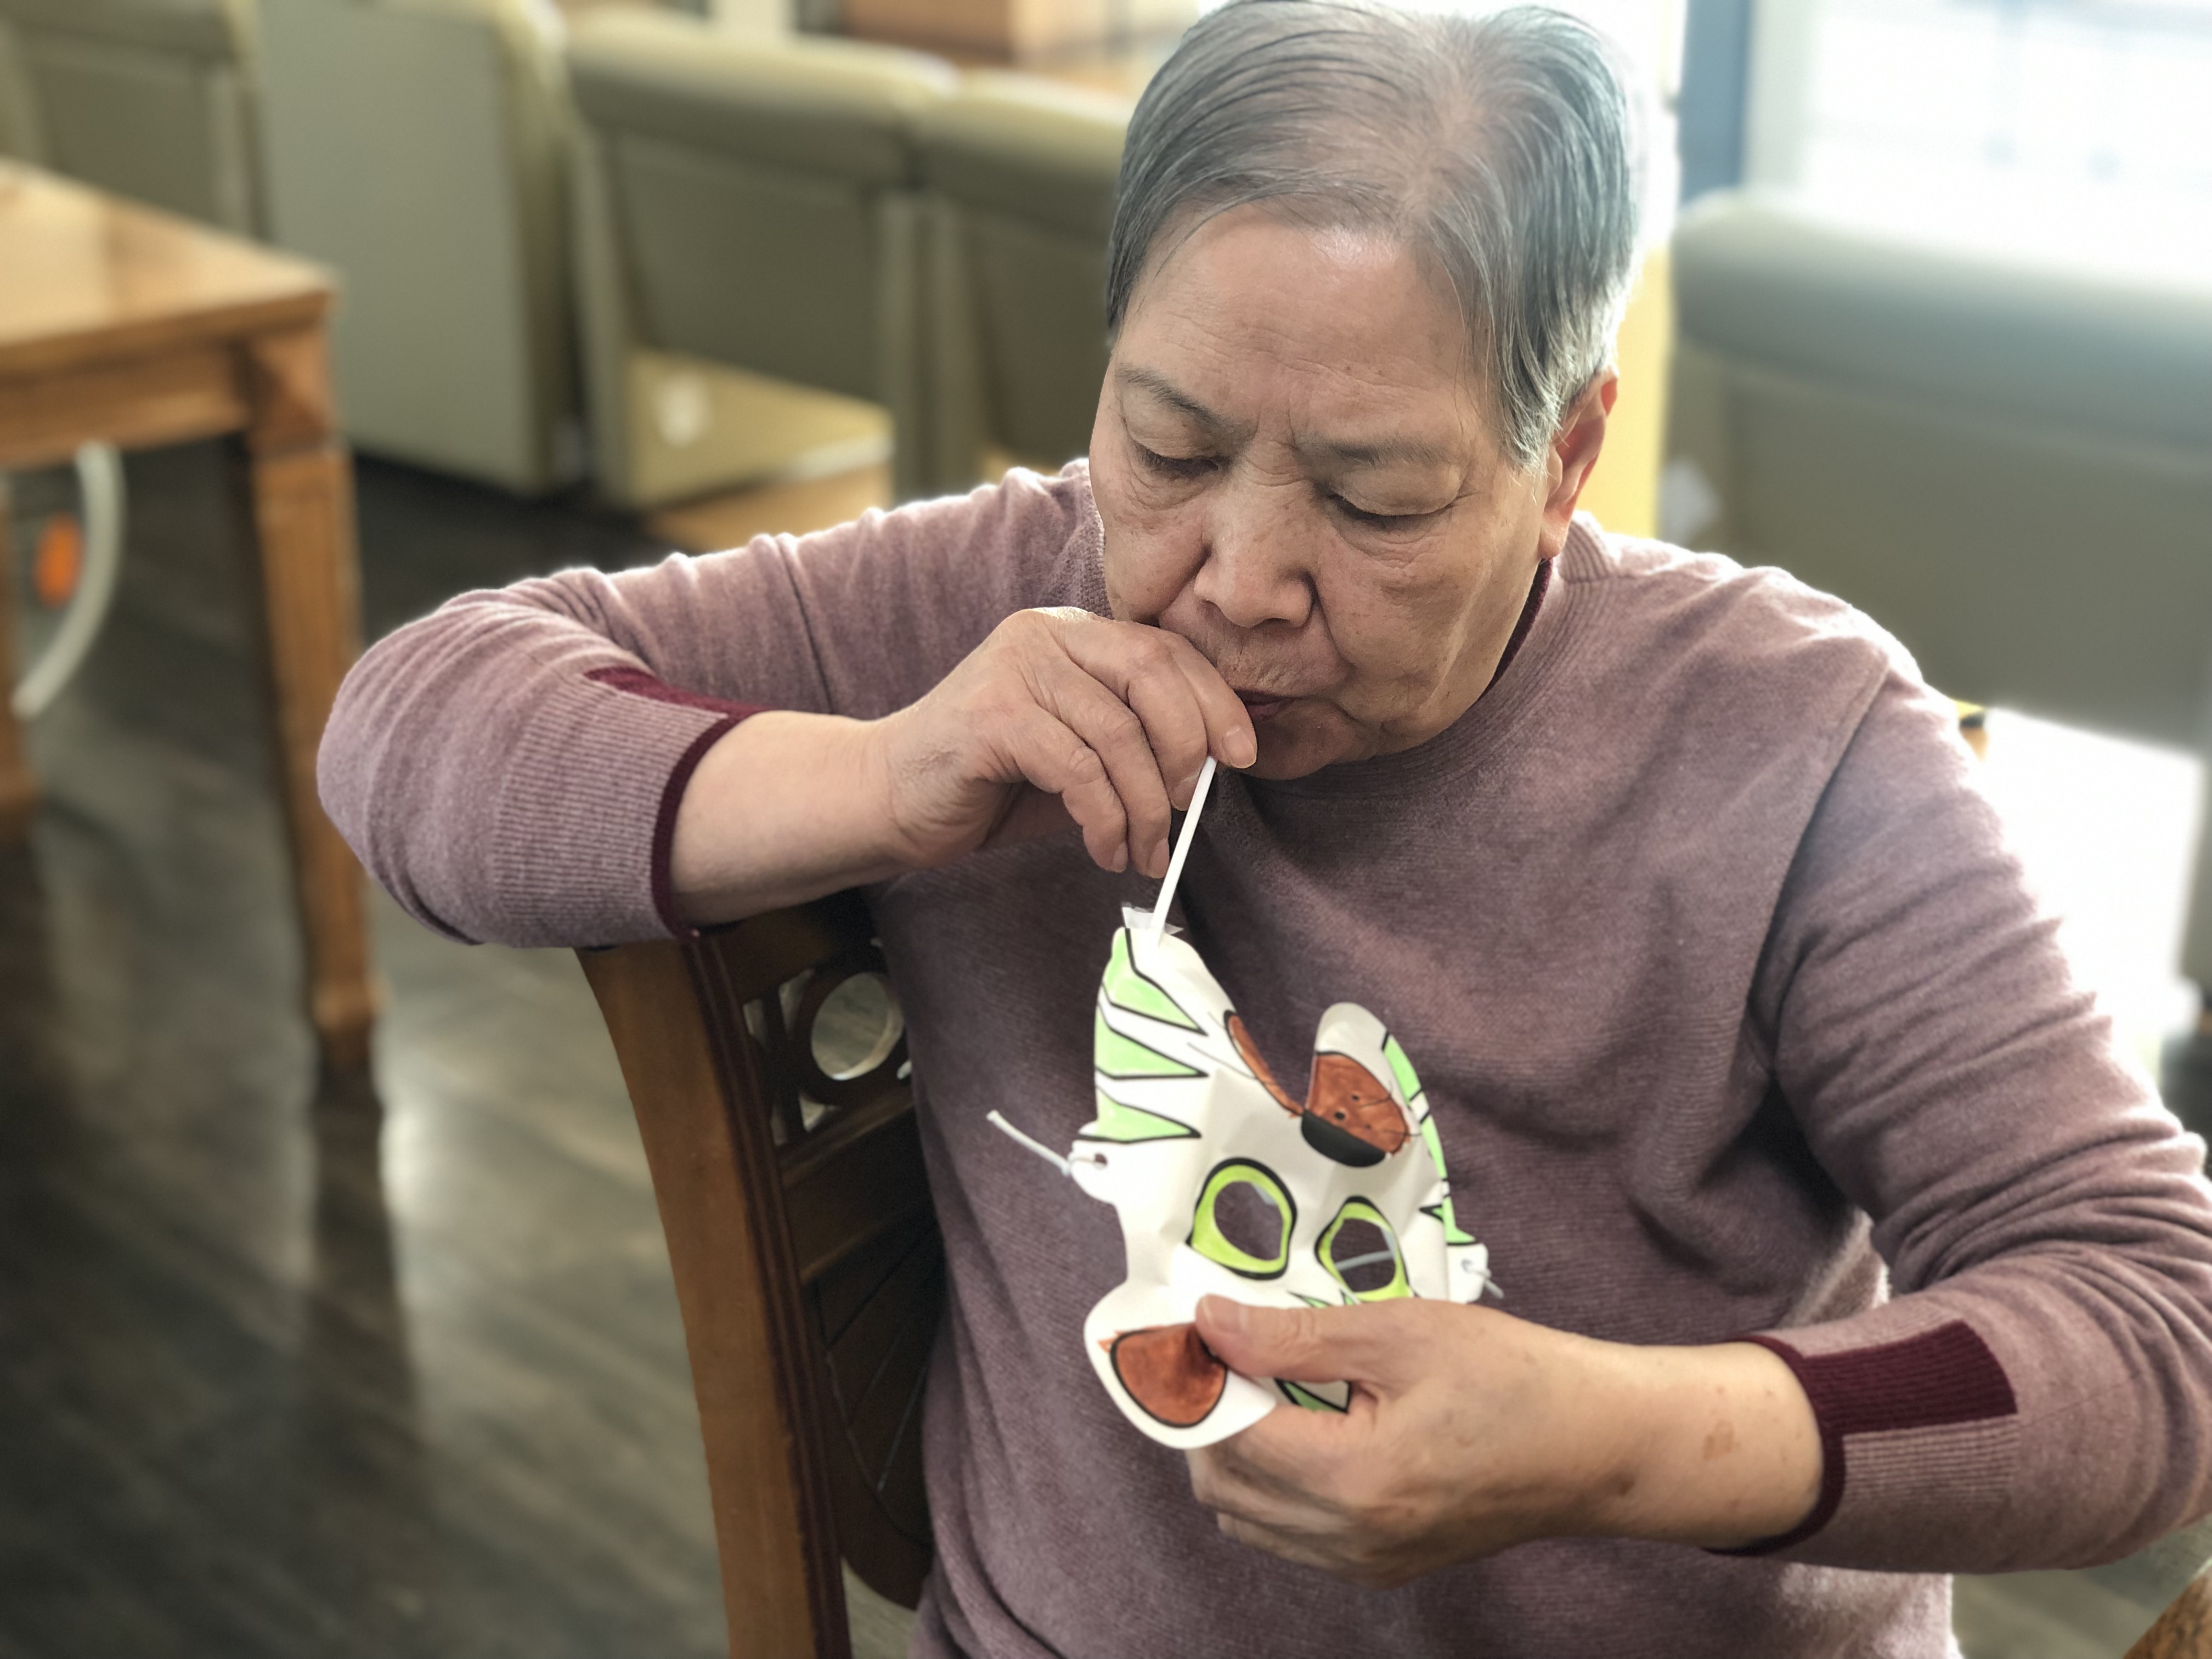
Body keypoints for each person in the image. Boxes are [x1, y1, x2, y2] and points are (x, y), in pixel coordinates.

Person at [319, 3, 2212, 1654]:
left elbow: (2155, 1322)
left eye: (1375, 501)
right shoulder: (1007, 595)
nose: (1235, 577)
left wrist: (1616, 1444)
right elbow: (412, 724)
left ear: (1565, 455)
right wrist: (886, 774)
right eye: (1170, 447)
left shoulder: (1795, 743)